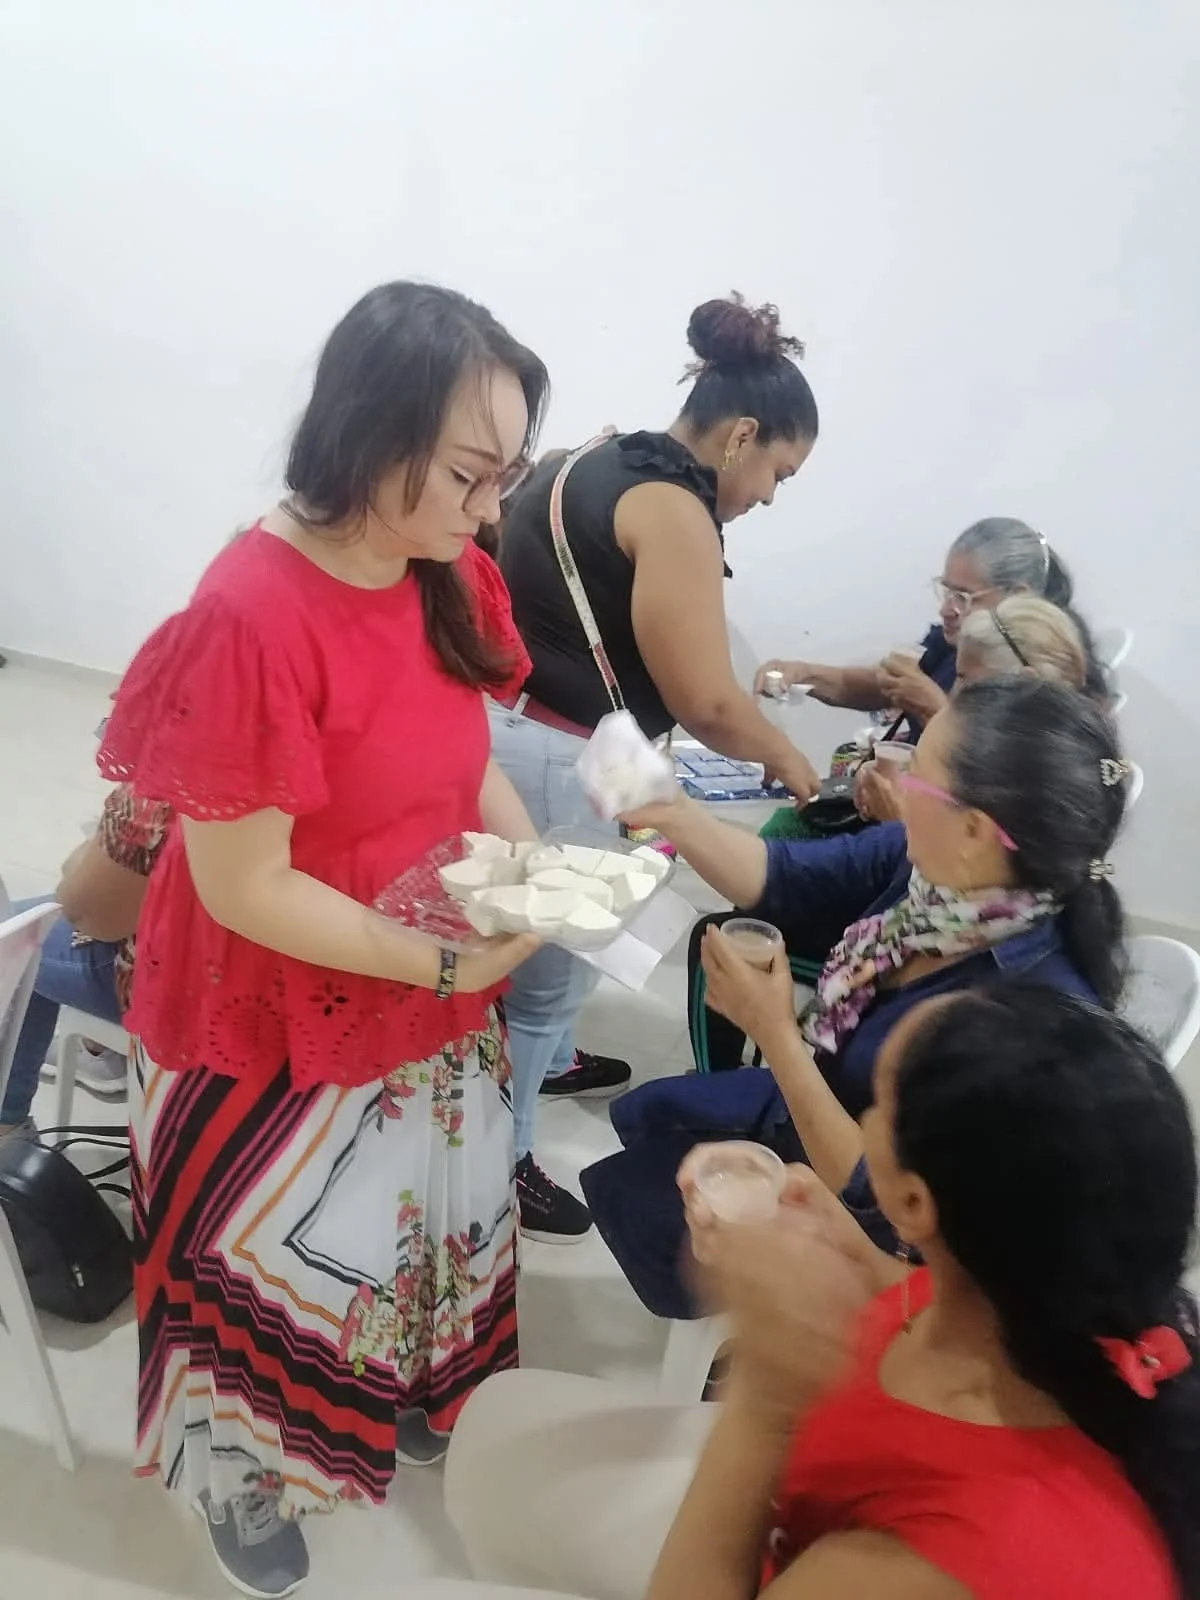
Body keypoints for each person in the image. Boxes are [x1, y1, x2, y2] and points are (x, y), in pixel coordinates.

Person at [97, 281, 551, 1597]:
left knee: (405, 1221)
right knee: (259, 1256)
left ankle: (398, 1383)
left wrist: (528, 867)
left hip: (416, 970)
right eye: (468, 475)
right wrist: (450, 961)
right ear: (370, 435)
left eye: (504, 478)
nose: (489, 513)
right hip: (276, 1012)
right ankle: (242, 1471)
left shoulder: (440, 569)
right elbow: (247, 887)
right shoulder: (250, 611)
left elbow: (469, 756)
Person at [442, 985, 1200, 1599]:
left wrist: (764, 1403)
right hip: (801, 1496)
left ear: (915, 1203)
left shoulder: (953, 1561)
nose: (863, 1117)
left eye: (879, 1103)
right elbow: (926, 1301)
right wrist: (852, 1249)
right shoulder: (1046, 1305)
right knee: (494, 1430)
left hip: (766, 1519)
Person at [579, 678, 1130, 1317]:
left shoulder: (1027, 1019)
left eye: (916, 774)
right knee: (654, 1129)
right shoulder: (933, 877)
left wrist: (775, 1034)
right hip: (819, 1107)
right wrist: (669, 808)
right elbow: (781, 875)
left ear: (975, 830)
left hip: (880, 1234)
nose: (890, 779)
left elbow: (889, 1204)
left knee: (662, 1206)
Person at [492, 294, 822, 1243]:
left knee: (542, 950)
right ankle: (503, 1167)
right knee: (541, 979)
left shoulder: (582, 460)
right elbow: (707, 699)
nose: (769, 496)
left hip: (514, 730)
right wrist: (787, 756)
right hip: (571, 758)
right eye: (778, 472)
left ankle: (548, 1063)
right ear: (742, 435)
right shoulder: (674, 510)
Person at [756, 515, 1102, 742]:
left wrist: (932, 707)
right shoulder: (955, 643)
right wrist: (806, 675)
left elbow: (994, 775)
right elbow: (881, 687)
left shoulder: (1040, 677)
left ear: (1017, 596)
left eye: (963, 597)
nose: (946, 609)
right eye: (946, 591)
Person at [0, 785, 171, 1139]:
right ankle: (100, 1049)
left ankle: (7, 1126)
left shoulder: (178, 782)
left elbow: (85, 909)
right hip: (265, 990)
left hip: (180, 988)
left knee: (19, 937)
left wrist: (105, 839)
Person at [851, 593, 1094, 825]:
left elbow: (951, 852)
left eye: (966, 681)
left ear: (1024, 684)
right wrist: (898, 781)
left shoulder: (1038, 785)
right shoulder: (998, 751)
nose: (955, 692)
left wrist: (899, 818)